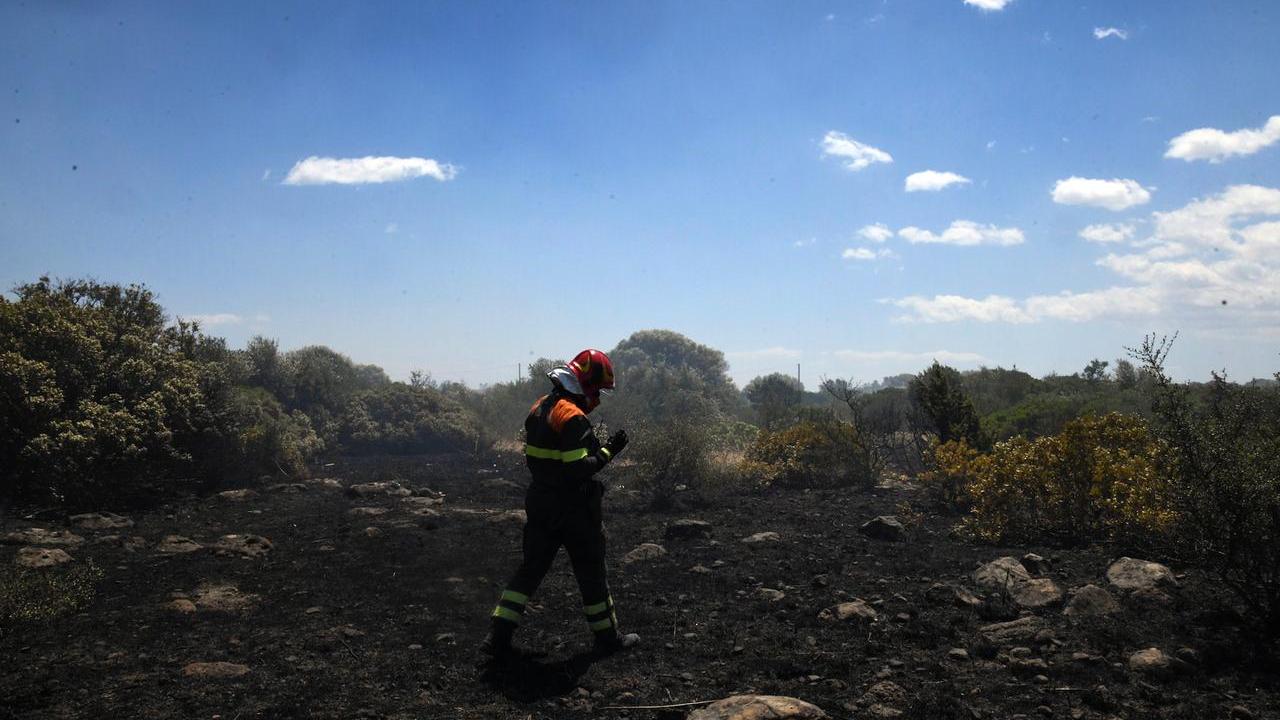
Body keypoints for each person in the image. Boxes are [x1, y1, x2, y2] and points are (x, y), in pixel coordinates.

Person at [481, 349, 638, 657]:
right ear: (587, 384)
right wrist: (610, 450)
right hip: (574, 510)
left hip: (540, 502)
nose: (598, 398)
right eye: (598, 391)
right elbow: (578, 469)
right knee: (592, 573)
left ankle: (497, 637)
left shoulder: (541, 406)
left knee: (530, 570)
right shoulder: (573, 417)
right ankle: (607, 639)